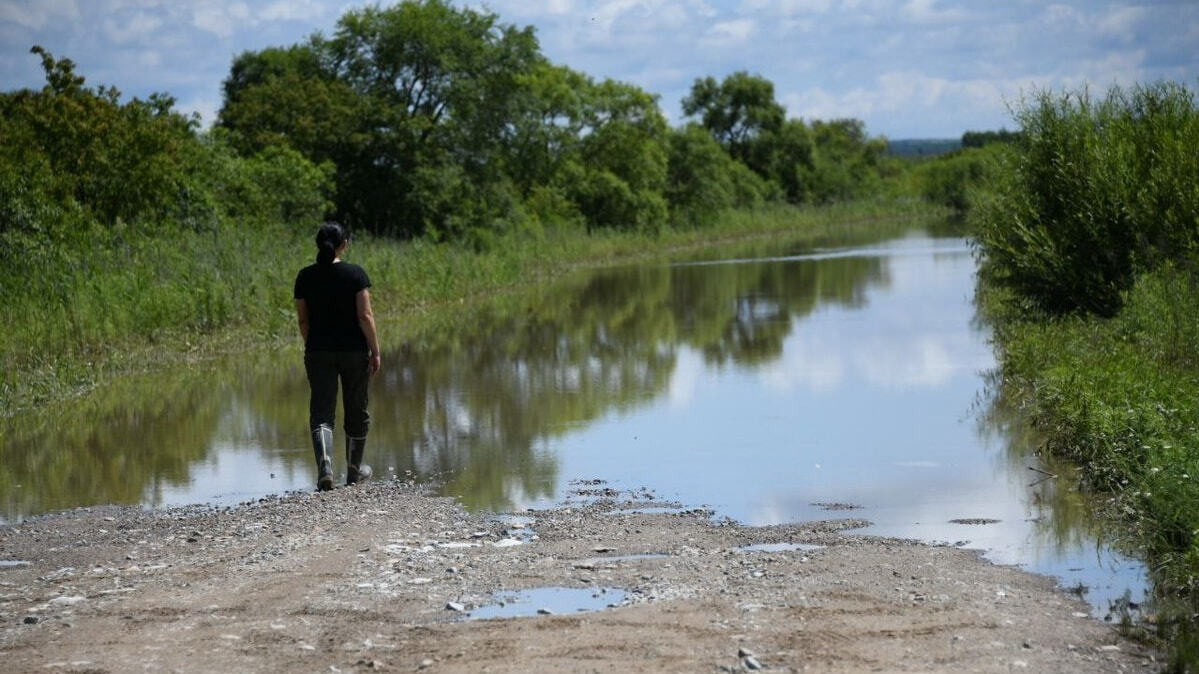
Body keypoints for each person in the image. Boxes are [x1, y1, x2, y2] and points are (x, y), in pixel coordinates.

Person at [294, 222, 382, 490]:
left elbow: (303, 320)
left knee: (321, 411)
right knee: (356, 408)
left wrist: (315, 345)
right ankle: (354, 472)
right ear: (344, 243)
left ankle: (325, 467)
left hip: (318, 351)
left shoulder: (305, 276)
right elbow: (365, 316)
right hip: (354, 351)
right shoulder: (355, 275)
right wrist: (375, 351)